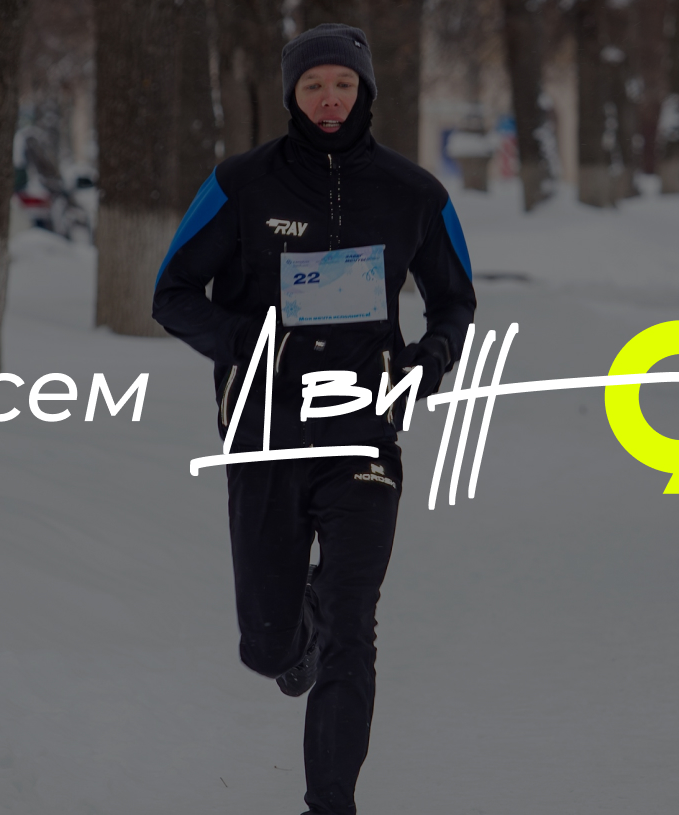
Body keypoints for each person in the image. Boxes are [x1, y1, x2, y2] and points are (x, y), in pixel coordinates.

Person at [151, 23, 477, 815]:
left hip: (365, 428)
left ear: (365, 91)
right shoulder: (240, 183)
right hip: (264, 430)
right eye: (313, 86)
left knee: (352, 627)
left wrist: (430, 359)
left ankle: (330, 803)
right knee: (268, 647)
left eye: (343, 84)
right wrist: (249, 344)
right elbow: (172, 294)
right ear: (291, 95)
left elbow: (456, 301)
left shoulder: (413, 192)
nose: (329, 99)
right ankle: (298, 623)